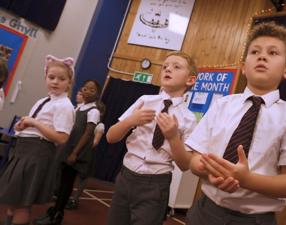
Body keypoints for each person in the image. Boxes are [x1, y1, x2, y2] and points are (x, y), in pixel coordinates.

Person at [184, 21, 286, 225]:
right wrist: (211, 171)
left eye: (273, 53)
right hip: (205, 211)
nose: (262, 56)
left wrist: (246, 180)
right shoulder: (221, 105)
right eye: (255, 52)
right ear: (243, 67)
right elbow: (194, 159)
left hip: (254, 220)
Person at [105, 51, 197, 225]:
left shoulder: (189, 118)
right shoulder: (144, 100)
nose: (168, 69)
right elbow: (110, 137)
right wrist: (130, 121)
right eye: (165, 66)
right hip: (126, 176)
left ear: (190, 80)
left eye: (176, 67)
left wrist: (173, 137)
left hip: (156, 183)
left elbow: (185, 165)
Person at [0, 55, 75, 225]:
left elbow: (62, 138)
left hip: (37, 154)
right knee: (13, 200)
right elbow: (38, 126)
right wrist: (23, 126)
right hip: (23, 151)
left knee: (23, 204)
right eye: (51, 77)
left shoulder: (65, 106)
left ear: (69, 82)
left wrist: (34, 122)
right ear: (45, 78)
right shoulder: (44, 100)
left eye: (61, 79)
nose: (55, 82)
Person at [33, 79, 101, 225]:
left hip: (76, 152)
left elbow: (88, 133)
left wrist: (74, 153)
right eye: (85, 88)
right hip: (68, 148)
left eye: (92, 90)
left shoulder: (93, 111)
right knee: (62, 182)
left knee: (67, 184)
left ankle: (57, 214)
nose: (87, 91)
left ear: (98, 94)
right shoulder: (79, 108)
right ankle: (55, 210)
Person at [65, 101, 106, 210]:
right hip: (79, 150)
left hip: (87, 153)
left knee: (82, 177)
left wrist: (82, 147)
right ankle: (65, 196)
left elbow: (95, 142)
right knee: (70, 175)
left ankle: (75, 199)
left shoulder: (100, 126)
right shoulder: (86, 121)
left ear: (100, 113)